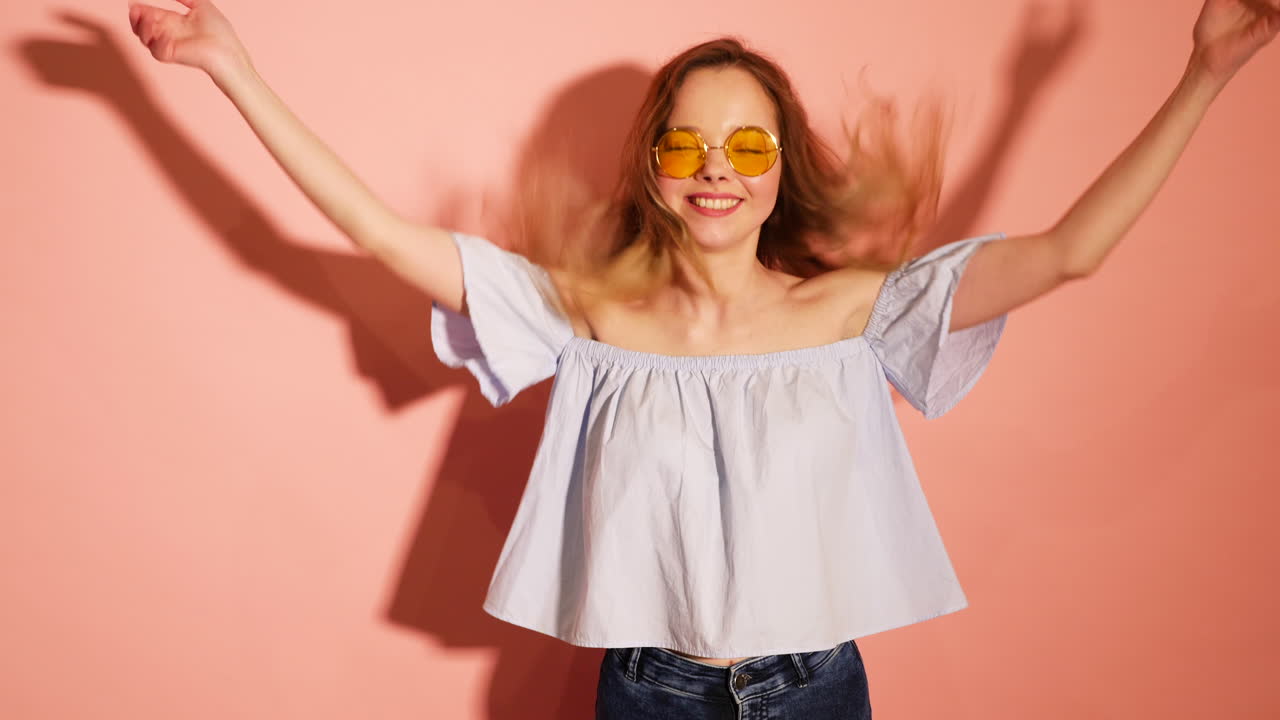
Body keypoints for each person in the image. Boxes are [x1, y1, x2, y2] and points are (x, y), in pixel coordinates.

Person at [126, 1, 1278, 717]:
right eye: (684, 141)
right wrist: (229, 65)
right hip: (646, 696)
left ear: (779, 167)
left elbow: (1070, 253)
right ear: (651, 166)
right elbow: (378, 233)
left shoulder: (853, 309)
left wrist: (1205, 73)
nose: (713, 167)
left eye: (744, 143)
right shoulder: (586, 317)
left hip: (816, 691)